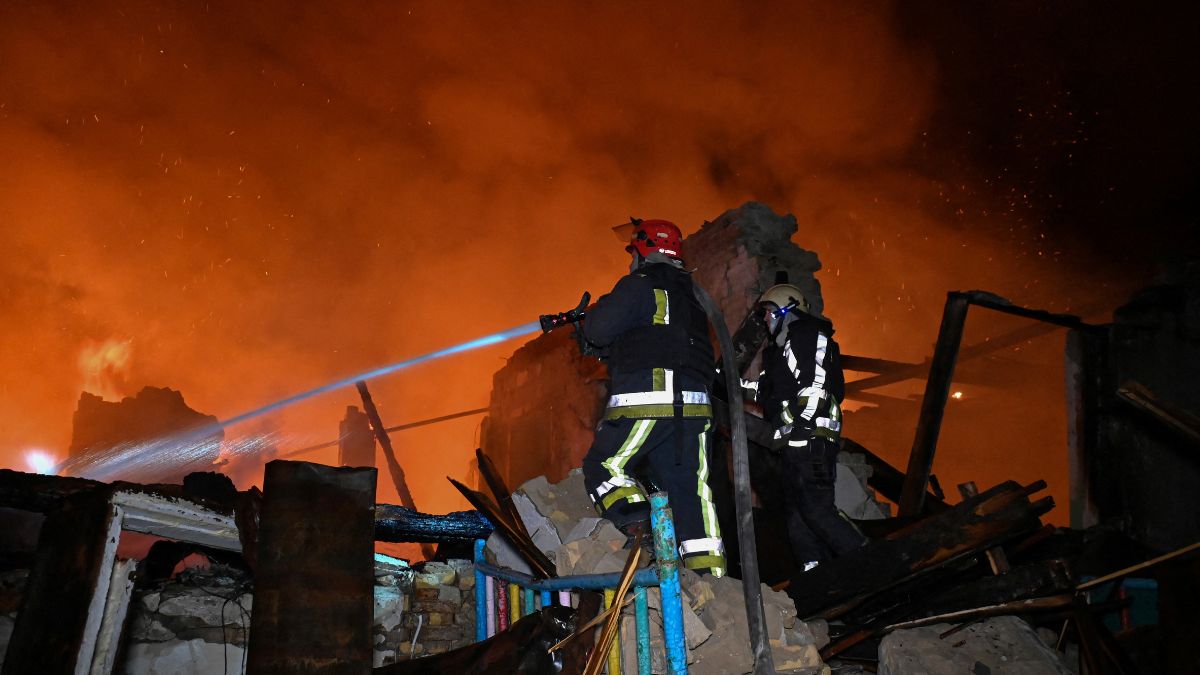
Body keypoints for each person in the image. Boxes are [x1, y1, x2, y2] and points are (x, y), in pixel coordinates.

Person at [578, 218, 726, 577]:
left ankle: (640, 525)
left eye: (633, 252)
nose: (631, 260)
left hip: (649, 396)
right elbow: (664, 340)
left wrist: (587, 321)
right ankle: (709, 577)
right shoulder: (693, 297)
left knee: (605, 465)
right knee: (689, 488)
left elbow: (599, 329)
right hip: (695, 407)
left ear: (643, 250)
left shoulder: (638, 283)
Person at [753, 284, 866, 571]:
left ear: (785, 309)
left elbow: (816, 386)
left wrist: (802, 426)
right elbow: (773, 396)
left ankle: (871, 563)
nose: (764, 319)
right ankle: (817, 578)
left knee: (817, 511)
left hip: (812, 439)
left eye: (768, 312)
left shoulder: (806, 335)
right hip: (794, 446)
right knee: (798, 521)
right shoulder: (780, 352)